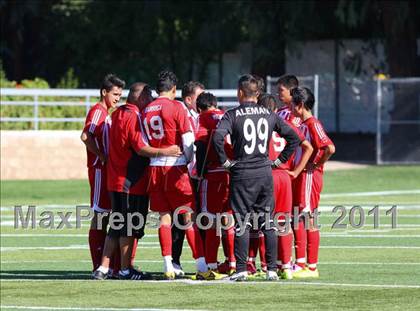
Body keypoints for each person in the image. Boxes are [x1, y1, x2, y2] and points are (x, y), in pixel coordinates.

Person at [213, 74, 301, 281]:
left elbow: (217, 137)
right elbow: (293, 138)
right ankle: (271, 270)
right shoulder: (269, 114)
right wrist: (279, 162)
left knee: (242, 222)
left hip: (242, 172)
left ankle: (242, 269)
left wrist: (225, 162)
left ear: (240, 93)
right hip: (264, 172)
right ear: (258, 93)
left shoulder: (232, 114)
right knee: (267, 222)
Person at [92, 82, 182, 280]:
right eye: (149, 96)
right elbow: (140, 147)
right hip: (131, 182)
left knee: (116, 225)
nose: (151, 100)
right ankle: (125, 269)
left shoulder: (118, 113)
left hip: (116, 179)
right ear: (141, 98)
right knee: (128, 226)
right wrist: (165, 151)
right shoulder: (134, 116)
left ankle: (103, 268)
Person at [142, 71, 207, 280]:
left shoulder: (146, 110)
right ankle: (201, 265)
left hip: (154, 168)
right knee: (188, 217)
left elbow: (143, 143)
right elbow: (188, 140)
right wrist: (187, 160)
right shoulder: (177, 106)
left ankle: (168, 264)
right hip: (176, 168)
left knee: (164, 219)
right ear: (173, 89)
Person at [258, 93, 313, 280]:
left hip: (267, 175)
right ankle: (287, 267)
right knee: (284, 223)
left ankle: (266, 266)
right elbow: (308, 147)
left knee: (264, 222)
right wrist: (297, 170)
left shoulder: (258, 126)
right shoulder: (286, 125)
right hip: (285, 177)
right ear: (275, 110)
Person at [290, 87, 335, 278]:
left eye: (293, 103)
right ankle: (302, 263)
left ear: (300, 105)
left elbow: (330, 148)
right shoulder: (303, 123)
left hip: (309, 177)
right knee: (300, 216)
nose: (290, 106)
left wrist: (316, 164)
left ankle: (310, 266)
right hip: (303, 176)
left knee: (306, 217)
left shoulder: (312, 123)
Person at [81, 74, 125, 271]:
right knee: (100, 214)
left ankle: (109, 263)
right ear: (104, 92)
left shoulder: (108, 112)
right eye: (115, 94)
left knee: (108, 214)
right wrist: (102, 156)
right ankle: (97, 263)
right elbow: (85, 135)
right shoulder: (98, 111)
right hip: (99, 169)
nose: (117, 98)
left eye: (120, 95)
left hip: (107, 170)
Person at [194, 92, 236, 280]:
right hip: (231, 172)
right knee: (228, 220)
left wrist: (200, 173)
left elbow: (201, 145)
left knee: (210, 221)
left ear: (199, 107)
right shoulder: (228, 115)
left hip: (213, 173)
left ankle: (211, 264)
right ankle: (233, 262)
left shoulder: (202, 118)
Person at [171, 81, 205, 277]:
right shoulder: (182, 114)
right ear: (188, 99)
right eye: (199, 97)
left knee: (200, 219)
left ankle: (204, 261)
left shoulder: (202, 116)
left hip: (200, 174)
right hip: (184, 173)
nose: (202, 101)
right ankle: (175, 261)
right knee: (180, 219)